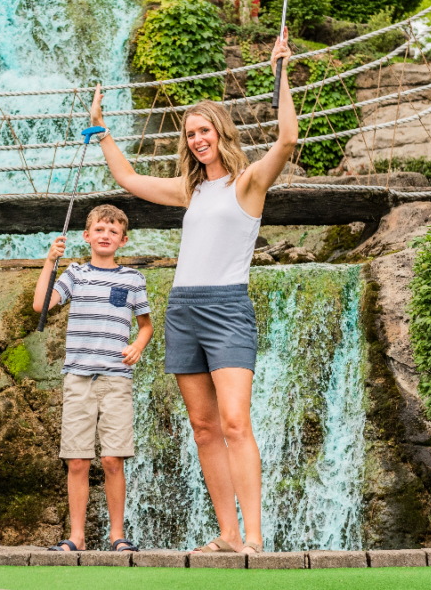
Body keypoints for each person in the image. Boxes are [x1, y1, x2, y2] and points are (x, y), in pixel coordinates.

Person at [88, 32, 296, 555]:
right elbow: (130, 179)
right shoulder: (191, 189)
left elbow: (288, 141)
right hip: (182, 308)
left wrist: (281, 72)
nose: (197, 140)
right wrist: (100, 128)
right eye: (190, 134)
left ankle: (254, 537)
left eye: (203, 130)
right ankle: (226, 535)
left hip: (227, 307)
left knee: (233, 422)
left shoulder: (248, 183)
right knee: (204, 429)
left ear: (219, 132)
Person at [33, 204, 153, 553]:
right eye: (99, 230)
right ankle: (77, 536)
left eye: (112, 232)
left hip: (116, 378)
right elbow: (41, 304)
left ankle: (118, 535)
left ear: (123, 240)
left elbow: (145, 325)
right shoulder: (75, 274)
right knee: (77, 459)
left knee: (113, 459)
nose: (105, 235)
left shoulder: (132, 279)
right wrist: (49, 261)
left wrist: (138, 346)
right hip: (78, 378)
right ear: (86, 236)